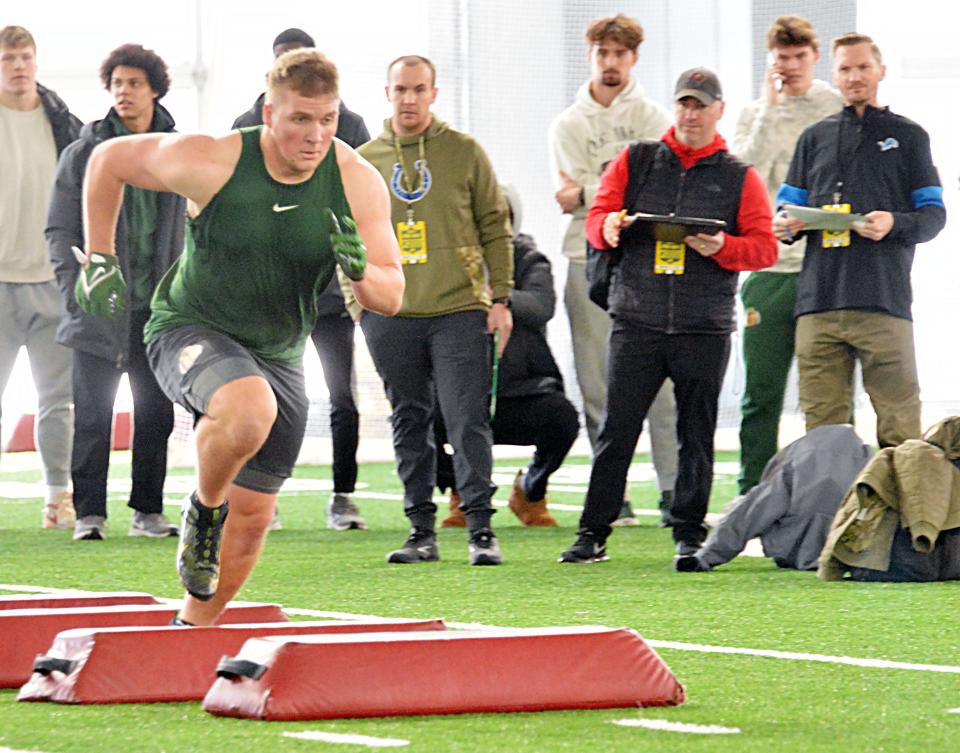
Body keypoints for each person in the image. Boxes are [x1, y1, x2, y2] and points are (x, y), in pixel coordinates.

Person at [77, 49, 403, 625]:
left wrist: (358, 271)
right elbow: (108, 160)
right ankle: (203, 511)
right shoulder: (216, 159)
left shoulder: (355, 180)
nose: (315, 135)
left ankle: (191, 632)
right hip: (188, 326)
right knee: (250, 411)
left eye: (326, 120)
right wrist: (100, 258)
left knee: (252, 521)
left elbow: (391, 295)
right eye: (301, 119)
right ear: (269, 111)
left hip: (278, 352)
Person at [559, 67, 778, 564]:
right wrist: (608, 229)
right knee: (618, 429)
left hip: (704, 325)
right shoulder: (636, 161)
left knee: (696, 433)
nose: (691, 113)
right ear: (674, 107)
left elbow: (764, 248)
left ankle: (688, 531)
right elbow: (598, 220)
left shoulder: (739, 176)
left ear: (719, 111)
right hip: (637, 318)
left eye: (701, 105)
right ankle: (593, 531)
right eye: (684, 103)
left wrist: (724, 246)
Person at [357, 55, 513, 566]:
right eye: (400, 89)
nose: (409, 99)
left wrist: (501, 298)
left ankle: (481, 531)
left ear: (434, 93)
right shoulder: (363, 160)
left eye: (419, 89)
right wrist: (356, 302)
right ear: (386, 93)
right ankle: (420, 530)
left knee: (468, 420)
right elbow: (344, 233)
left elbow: (495, 226)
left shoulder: (464, 152)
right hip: (391, 313)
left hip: (459, 309)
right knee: (408, 419)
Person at [774, 33, 946, 449]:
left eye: (863, 67)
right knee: (822, 433)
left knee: (901, 428)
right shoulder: (813, 138)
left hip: (883, 302)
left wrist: (895, 223)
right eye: (845, 69)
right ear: (833, 75)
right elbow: (784, 211)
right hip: (818, 303)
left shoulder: (910, 136)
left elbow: (934, 216)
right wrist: (786, 225)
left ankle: (907, 515)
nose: (854, 76)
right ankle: (828, 515)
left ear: (880, 71)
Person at [233, 27, 371, 532]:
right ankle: (257, 495)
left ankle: (343, 495)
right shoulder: (246, 126)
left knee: (342, 396)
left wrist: (360, 270)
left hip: (330, 290)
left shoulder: (350, 125)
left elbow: (365, 201)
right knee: (258, 396)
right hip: (266, 292)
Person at [47, 44, 184, 542]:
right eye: (117, 84)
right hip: (98, 308)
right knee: (93, 413)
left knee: (157, 413)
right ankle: (90, 513)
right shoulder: (84, 153)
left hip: (159, 310)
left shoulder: (178, 150)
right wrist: (76, 284)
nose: (123, 92)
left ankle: (148, 510)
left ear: (154, 90)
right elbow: (59, 230)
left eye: (133, 84)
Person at [548, 14, 678, 526]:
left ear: (634, 59)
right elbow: (585, 198)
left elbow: (645, 193)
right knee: (598, 385)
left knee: (661, 387)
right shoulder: (567, 123)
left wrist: (590, 192)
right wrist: (610, 190)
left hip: (646, 263)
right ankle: (612, 495)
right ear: (591, 57)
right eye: (602, 53)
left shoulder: (654, 119)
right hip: (587, 259)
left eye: (619, 54)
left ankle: (672, 492)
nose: (610, 63)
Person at [732, 16, 843, 495]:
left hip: (826, 270)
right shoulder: (754, 113)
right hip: (768, 270)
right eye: (782, 58)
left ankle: (833, 494)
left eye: (799, 57)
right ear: (770, 61)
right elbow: (742, 173)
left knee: (829, 398)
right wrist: (769, 110)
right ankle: (750, 494)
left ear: (814, 58)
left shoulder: (833, 107)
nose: (791, 66)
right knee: (761, 395)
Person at [437, 184, 579, 529]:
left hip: (523, 391)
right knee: (415, 416)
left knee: (562, 419)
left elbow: (541, 305)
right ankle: (461, 493)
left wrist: (497, 297)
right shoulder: (445, 260)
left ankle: (531, 490)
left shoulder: (529, 258)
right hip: (460, 388)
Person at [0, 25, 81, 529]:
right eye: (9, 58)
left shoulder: (63, 123)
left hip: (51, 281)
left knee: (59, 401)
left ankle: (59, 495)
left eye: (25, 56)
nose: (18, 66)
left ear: (36, 61)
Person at [674, 425, 871, 573]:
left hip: (792, 551)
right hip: (850, 554)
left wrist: (706, 557)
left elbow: (748, 516)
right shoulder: (871, 466)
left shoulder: (793, 467)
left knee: (752, 504)